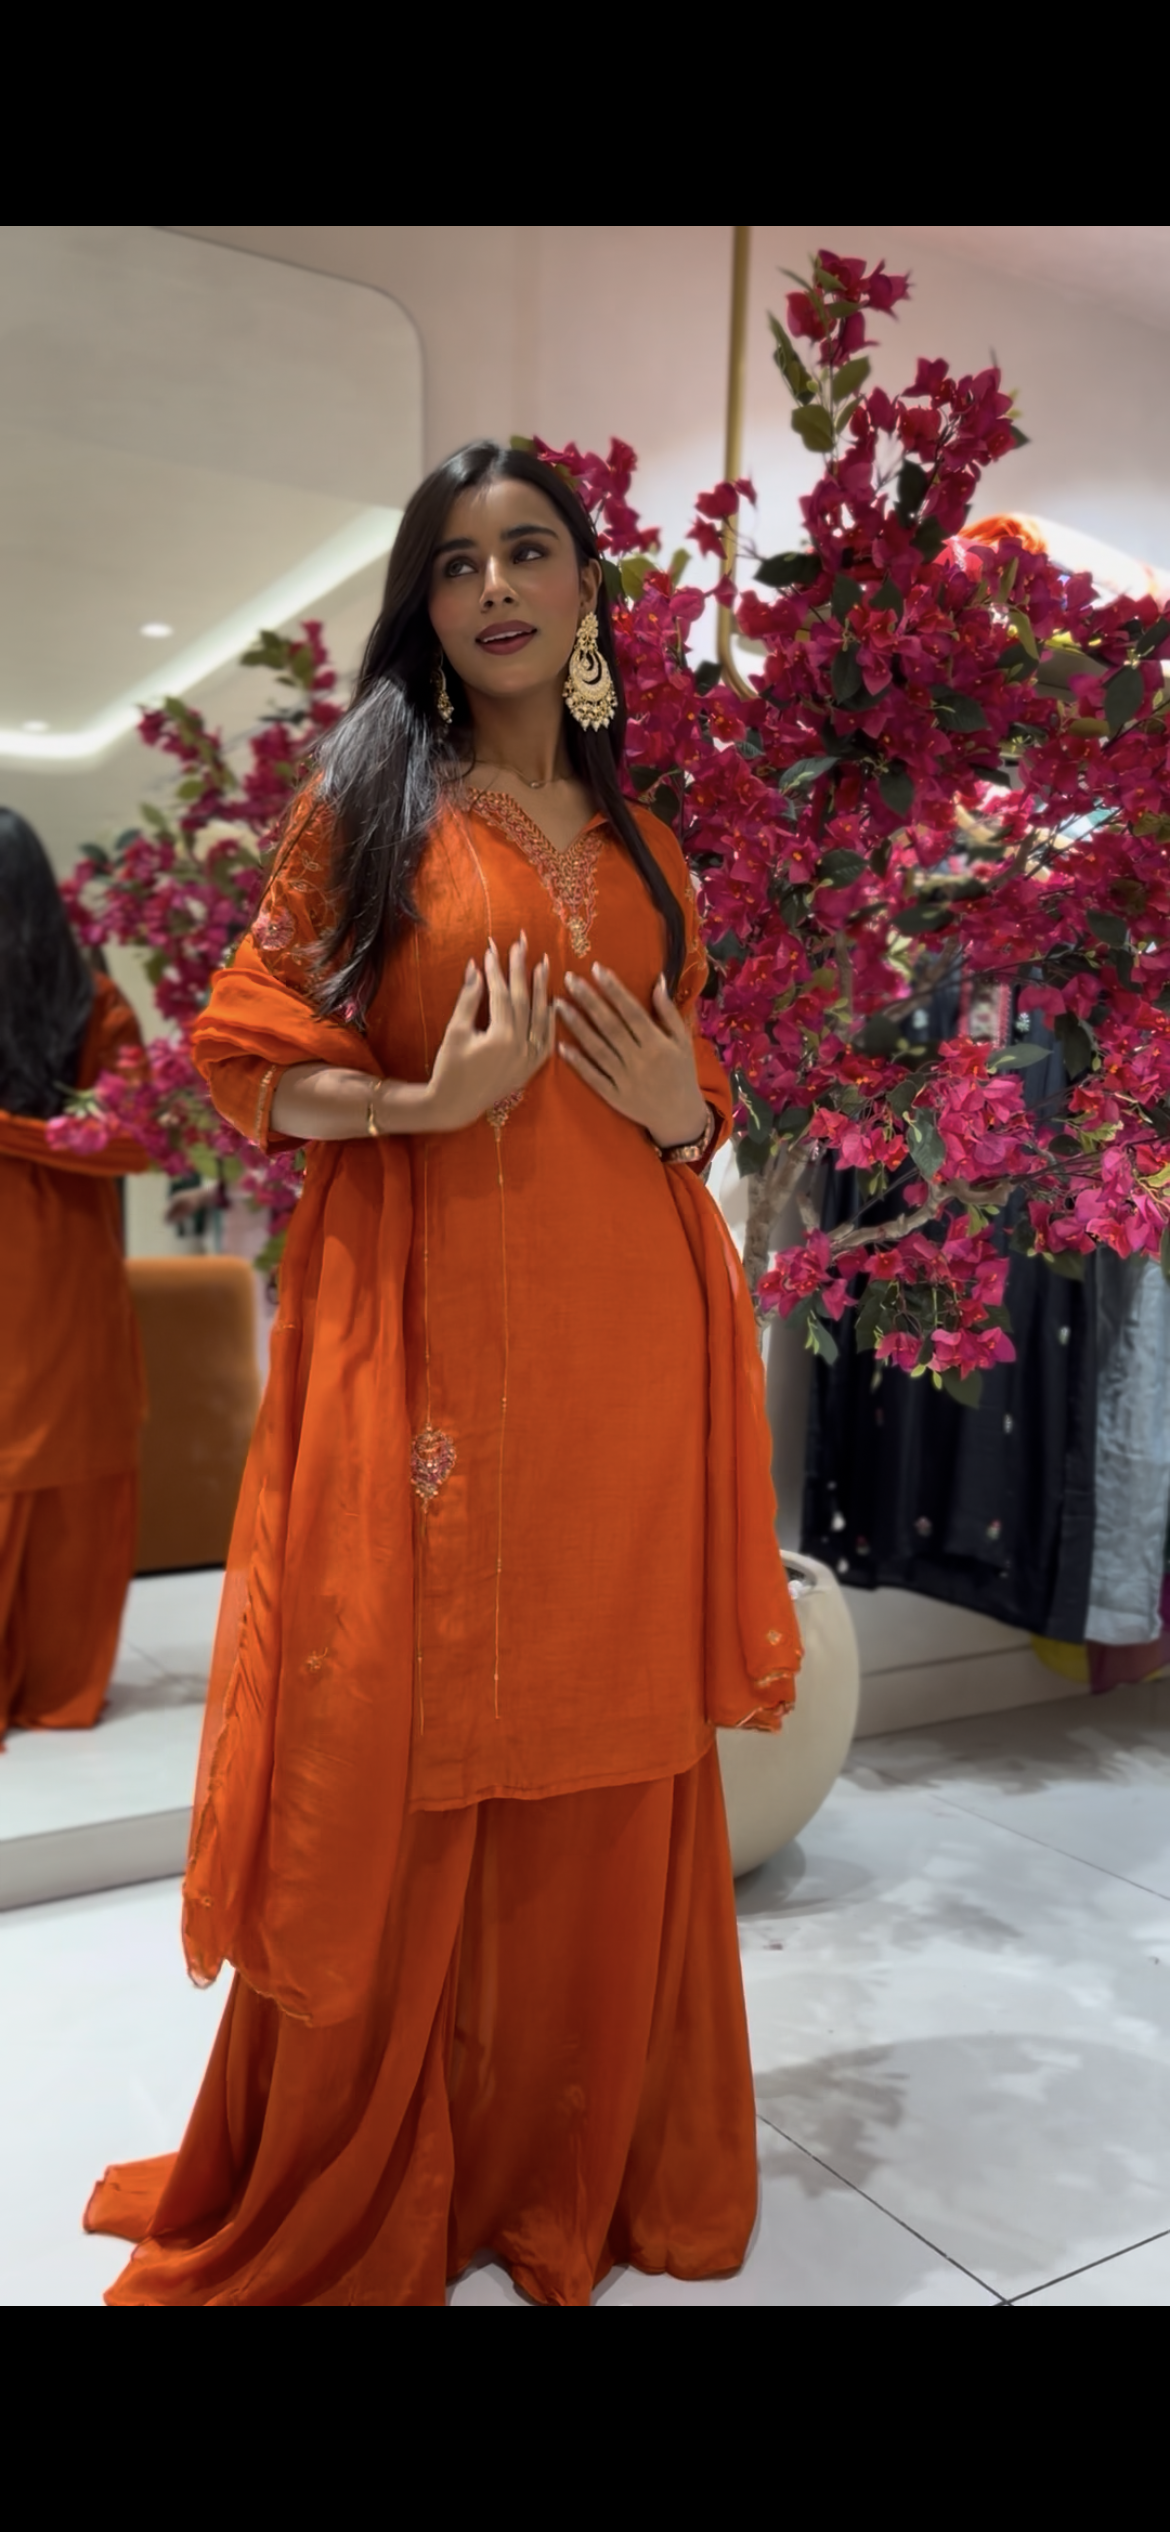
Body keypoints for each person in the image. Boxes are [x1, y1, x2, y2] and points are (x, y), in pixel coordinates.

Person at [85, 443, 801, 2306]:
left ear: (585, 595)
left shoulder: (646, 846)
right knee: (411, 1724)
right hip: (436, 1339)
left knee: (605, 1729)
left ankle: (576, 2146)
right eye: (460, 562)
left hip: (629, 1346)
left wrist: (689, 1111)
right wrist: (419, 1100)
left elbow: (687, 1082)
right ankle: (395, 2153)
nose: (496, 587)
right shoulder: (369, 806)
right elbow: (247, 1053)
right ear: (425, 603)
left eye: (530, 552)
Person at [0, 809, 147, 1738]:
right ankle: (55, 1683)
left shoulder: (89, 1003)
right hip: (65, 1282)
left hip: (56, 1282)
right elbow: (126, 1136)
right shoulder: (90, 1002)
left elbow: (133, 1135)